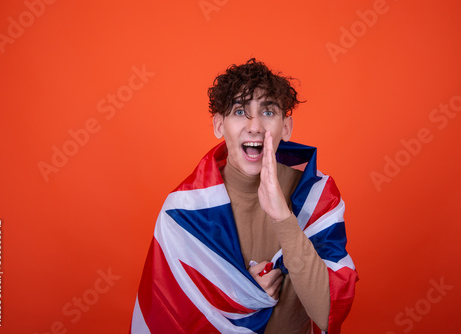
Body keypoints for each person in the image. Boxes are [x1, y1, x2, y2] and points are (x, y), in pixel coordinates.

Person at [130, 59, 358, 334]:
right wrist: (237, 296)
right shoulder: (184, 210)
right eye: (240, 111)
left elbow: (327, 312)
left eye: (268, 112)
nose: (255, 126)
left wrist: (282, 217)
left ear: (286, 128)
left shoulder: (317, 195)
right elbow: (168, 317)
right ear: (219, 126)